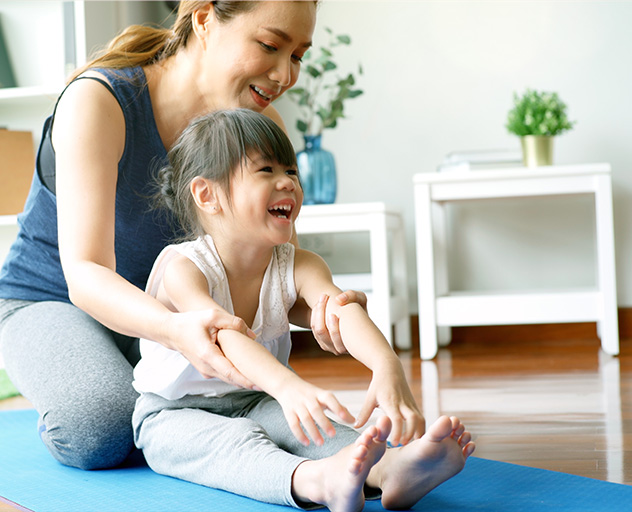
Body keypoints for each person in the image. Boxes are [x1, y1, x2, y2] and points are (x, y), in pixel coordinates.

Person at [0, 1, 367, 471]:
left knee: (270, 406)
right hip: (52, 299)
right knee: (98, 427)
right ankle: (99, 387)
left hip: (182, 312)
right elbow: (85, 273)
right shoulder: (98, 102)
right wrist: (174, 331)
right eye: (271, 46)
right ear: (206, 18)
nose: (284, 74)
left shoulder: (262, 129)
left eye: (297, 56)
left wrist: (326, 307)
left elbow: (275, 272)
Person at [131, 108, 475, 512]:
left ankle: (391, 472)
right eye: (265, 170)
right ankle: (315, 481)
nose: (288, 182)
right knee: (235, 446)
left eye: (291, 171)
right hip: (172, 412)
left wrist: (386, 364)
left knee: (317, 430)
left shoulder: (299, 263)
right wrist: (288, 387)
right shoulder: (184, 269)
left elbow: (340, 309)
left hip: (257, 398)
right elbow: (224, 337)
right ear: (207, 195)